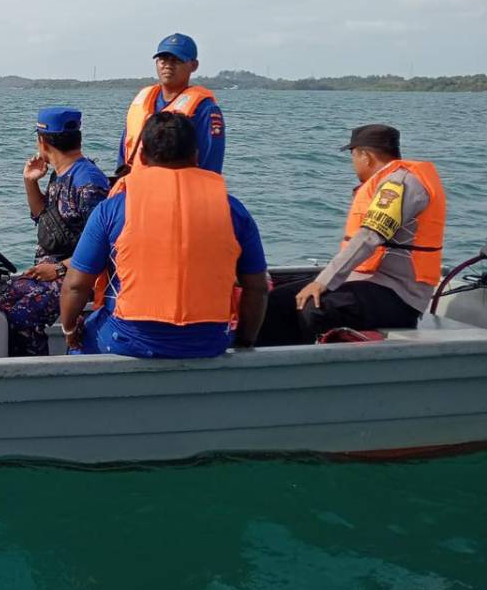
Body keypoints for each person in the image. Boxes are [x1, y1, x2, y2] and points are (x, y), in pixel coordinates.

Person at [61, 112, 268, 358]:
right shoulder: (233, 210)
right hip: (208, 344)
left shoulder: (112, 209)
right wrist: (245, 342)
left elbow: (75, 286)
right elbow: (257, 288)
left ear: (142, 156)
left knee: (80, 341)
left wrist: (70, 330)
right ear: (196, 156)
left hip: (127, 341)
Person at [257, 124, 445, 346]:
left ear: (366, 156)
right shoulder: (388, 180)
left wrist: (322, 282)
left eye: (353, 156)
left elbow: (370, 236)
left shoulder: (398, 184)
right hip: (370, 283)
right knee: (277, 300)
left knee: (313, 307)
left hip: (398, 295)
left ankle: (309, 371)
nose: (353, 163)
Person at [0, 107, 109, 356]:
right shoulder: (60, 174)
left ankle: (35, 374)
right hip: (52, 269)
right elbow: (44, 218)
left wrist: (58, 269)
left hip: (78, 277)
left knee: (20, 317)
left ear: (42, 140)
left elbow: (104, 247)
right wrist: (30, 181)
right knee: (2, 298)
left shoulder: (88, 184)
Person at [116, 33, 225, 177]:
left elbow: (210, 166)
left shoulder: (204, 110)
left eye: (176, 60)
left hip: (178, 190)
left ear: (194, 65)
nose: (168, 65)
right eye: (163, 59)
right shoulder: (142, 102)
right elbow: (124, 151)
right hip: (135, 188)